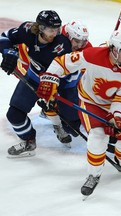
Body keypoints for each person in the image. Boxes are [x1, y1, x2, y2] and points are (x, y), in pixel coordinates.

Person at [36, 30, 121, 196]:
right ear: (115, 50)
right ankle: (94, 174)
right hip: (91, 102)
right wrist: (50, 77)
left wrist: (115, 116)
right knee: (97, 136)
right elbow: (63, 62)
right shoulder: (93, 55)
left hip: (115, 103)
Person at [0, 10, 72, 157]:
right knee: (14, 115)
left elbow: (69, 73)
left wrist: (52, 92)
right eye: (51, 30)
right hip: (33, 77)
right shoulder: (27, 31)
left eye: (57, 29)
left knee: (69, 121)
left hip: (58, 83)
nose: (55, 33)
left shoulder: (62, 44)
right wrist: (9, 52)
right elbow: (5, 37)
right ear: (40, 28)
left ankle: (59, 125)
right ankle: (29, 141)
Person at [16, 20, 93, 144]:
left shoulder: (85, 48)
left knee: (72, 126)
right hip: (42, 77)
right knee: (47, 99)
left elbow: (85, 72)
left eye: (83, 41)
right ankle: (56, 124)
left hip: (67, 84)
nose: (80, 45)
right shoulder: (53, 41)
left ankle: (60, 117)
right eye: (77, 41)